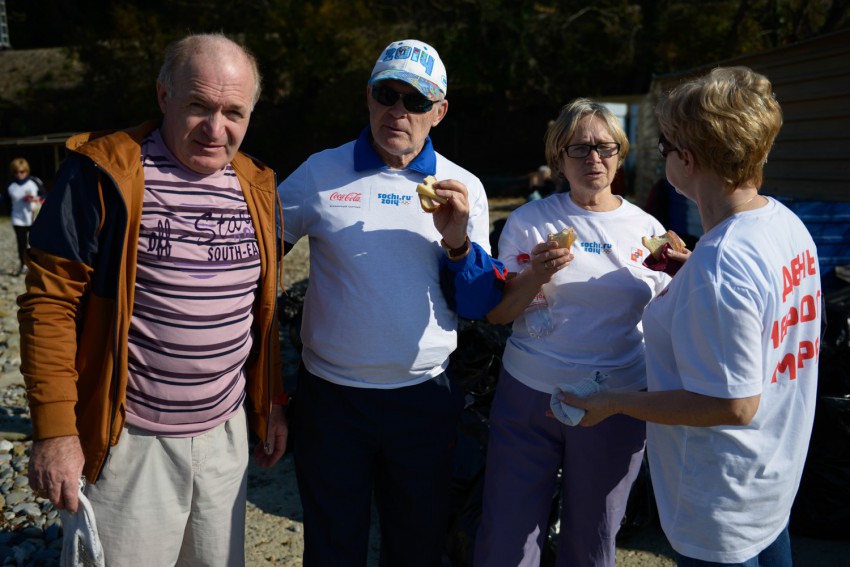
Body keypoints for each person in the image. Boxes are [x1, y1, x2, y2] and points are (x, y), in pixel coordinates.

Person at [18, 33, 288, 566]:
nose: (216, 129)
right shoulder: (102, 174)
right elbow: (48, 306)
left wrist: (271, 401)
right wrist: (56, 432)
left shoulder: (258, 186)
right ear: (164, 95)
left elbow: (258, 312)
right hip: (128, 442)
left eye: (234, 112)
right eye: (199, 106)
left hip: (225, 438)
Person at [562, 66, 822, 566]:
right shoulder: (784, 224)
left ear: (688, 158)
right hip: (770, 479)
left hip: (720, 501)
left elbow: (733, 404)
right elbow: (766, 320)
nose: (663, 157)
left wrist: (613, 402)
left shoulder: (722, 263)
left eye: (665, 147)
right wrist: (692, 275)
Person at [278, 38, 506, 566]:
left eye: (416, 101)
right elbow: (254, 257)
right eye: (387, 94)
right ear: (369, 97)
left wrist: (457, 242)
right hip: (332, 398)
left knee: (416, 546)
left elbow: (478, 305)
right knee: (332, 546)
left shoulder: (462, 186)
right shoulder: (319, 173)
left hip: (423, 398)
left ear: (439, 112)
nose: (398, 111)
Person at [474, 98, 673, 567]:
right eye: (579, 148)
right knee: (507, 537)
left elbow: (666, 317)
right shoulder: (530, 222)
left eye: (605, 147)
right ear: (558, 158)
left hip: (616, 401)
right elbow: (499, 315)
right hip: (530, 394)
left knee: (593, 537)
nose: (594, 158)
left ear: (620, 154)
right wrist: (536, 275)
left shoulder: (647, 229)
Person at [6, 158, 43, 275]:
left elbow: (45, 195)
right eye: (16, 172)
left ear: (27, 170)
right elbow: (6, 200)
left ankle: (38, 265)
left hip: (34, 218)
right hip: (18, 219)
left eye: (22, 171)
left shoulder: (34, 181)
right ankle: (23, 265)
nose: (19, 174)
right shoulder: (10, 184)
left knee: (37, 244)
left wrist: (38, 198)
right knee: (21, 243)